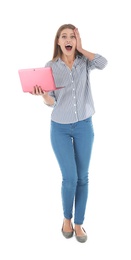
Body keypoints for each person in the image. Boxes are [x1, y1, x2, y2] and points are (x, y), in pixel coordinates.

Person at [32, 23, 107, 243]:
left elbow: (103, 62)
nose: (68, 40)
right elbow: (51, 101)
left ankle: (79, 224)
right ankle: (66, 218)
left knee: (83, 177)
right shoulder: (50, 66)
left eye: (72, 37)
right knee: (70, 177)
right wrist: (44, 95)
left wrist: (82, 48)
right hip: (60, 128)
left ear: (76, 41)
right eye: (63, 36)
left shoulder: (85, 62)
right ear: (58, 41)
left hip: (84, 125)